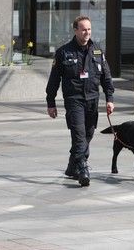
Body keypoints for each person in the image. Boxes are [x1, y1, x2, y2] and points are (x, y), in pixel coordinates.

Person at [46, 15, 115, 186]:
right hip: (74, 100)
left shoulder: (98, 51)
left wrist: (109, 99)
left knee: (88, 134)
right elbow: (54, 80)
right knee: (79, 136)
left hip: (92, 100)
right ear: (75, 30)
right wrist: (51, 103)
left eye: (89, 29)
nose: (87, 33)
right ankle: (83, 168)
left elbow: (106, 77)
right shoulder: (63, 52)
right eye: (83, 29)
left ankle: (72, 166)